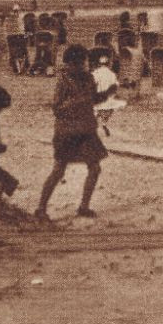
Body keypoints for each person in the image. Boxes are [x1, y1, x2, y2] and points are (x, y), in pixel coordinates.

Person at [35, 45, 110, 223]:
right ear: (69, 64)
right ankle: (41, 208)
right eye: (78, 63)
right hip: (67, 132)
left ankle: (84, 206)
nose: (82, 66)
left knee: (95, 168)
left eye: (83, 63)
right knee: (58, 171)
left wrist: (108, 93)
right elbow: (57, 109)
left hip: (86, 129)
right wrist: (77, 102)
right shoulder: (63, 81)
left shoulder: (88, 78)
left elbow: (94, 98)